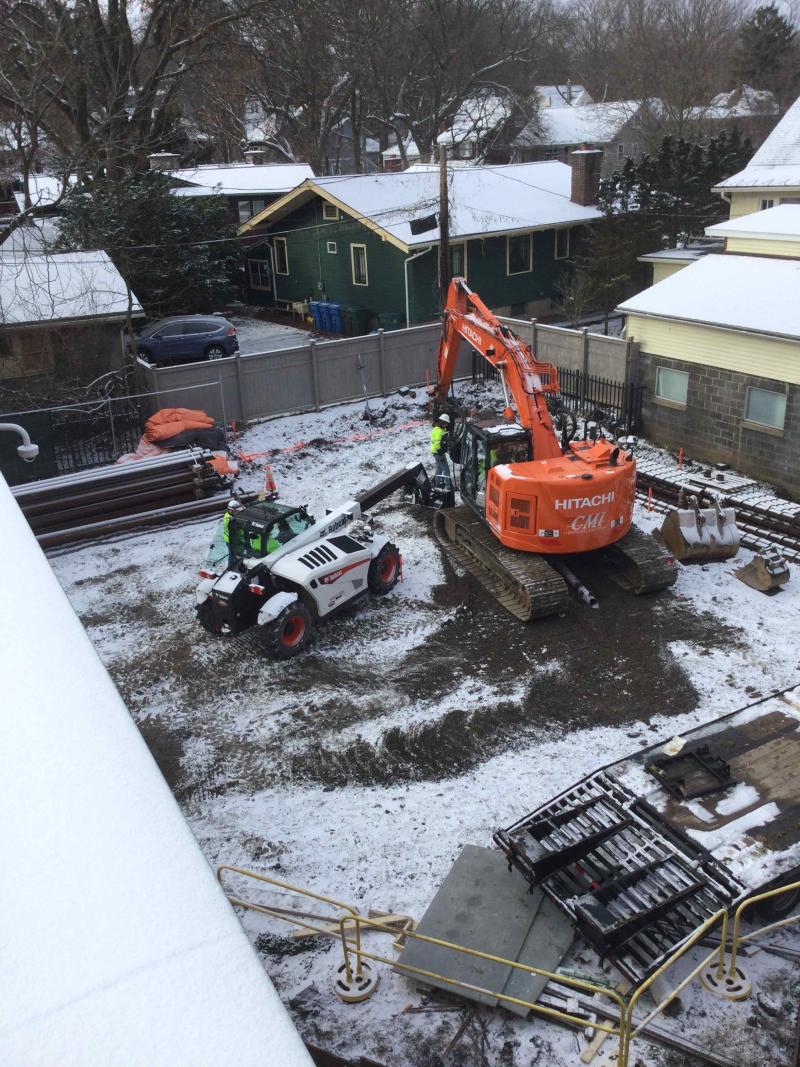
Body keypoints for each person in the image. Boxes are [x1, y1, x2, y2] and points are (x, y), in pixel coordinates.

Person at [430, 413, 452, 488]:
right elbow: (437, 444)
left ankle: (437, 484)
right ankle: (449, 486)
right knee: (446, 470)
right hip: (438, 453)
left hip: (437, 452)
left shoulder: (440, 429)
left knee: (439, 468)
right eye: (447, 423)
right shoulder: (439, 431)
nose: (447, 425)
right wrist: (441, 455)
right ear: (444, 423)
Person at [223, 499, 243, 569]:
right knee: (236, 556)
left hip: (228, 539)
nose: (238, 511)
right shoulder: (232, 521)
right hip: (233, 541)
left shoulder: (227, 515)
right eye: (237, 510)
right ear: (232, 510)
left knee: (231, 555)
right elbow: (236, 532)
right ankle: (236, 568)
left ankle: (230, 568)